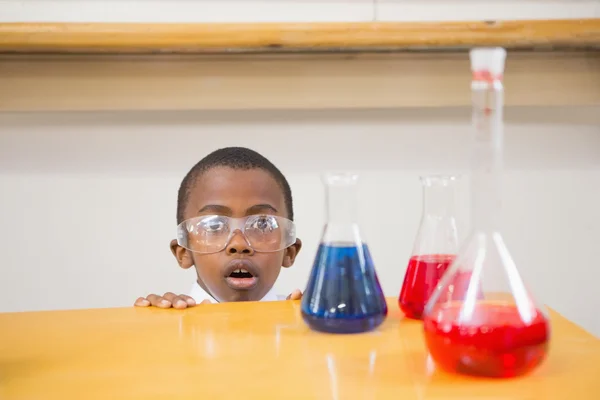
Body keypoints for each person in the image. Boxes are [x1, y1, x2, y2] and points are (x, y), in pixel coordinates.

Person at [134, 147, 303, 309]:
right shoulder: (161, 327)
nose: (239, 244)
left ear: (289, 251)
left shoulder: (307, 324)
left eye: (262, 224)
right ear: (184, 252)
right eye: (214, 225)